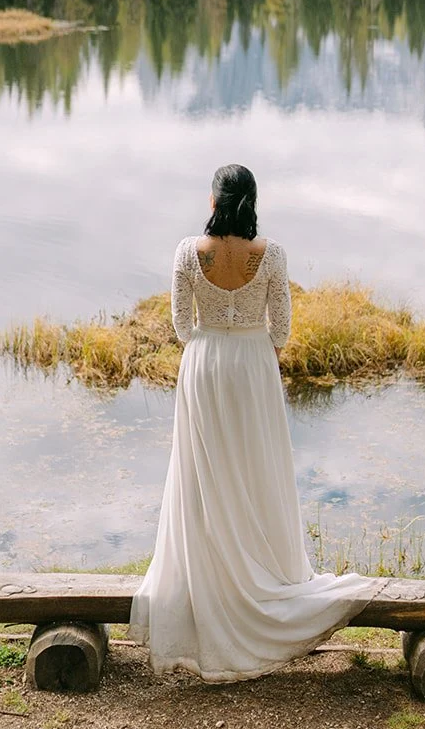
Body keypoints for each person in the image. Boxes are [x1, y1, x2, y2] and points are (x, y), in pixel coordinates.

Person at [128, 163, 375, 682]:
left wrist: (212, 327)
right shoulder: (274, 255)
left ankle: (208, 584)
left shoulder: (186, 252)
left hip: (204, 366)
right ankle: (264, 574)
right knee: (255, 468)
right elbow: (281, 331)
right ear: (252, 201)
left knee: (203, 475)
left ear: (214, 201)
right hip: (253, 369)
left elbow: (179, 326)